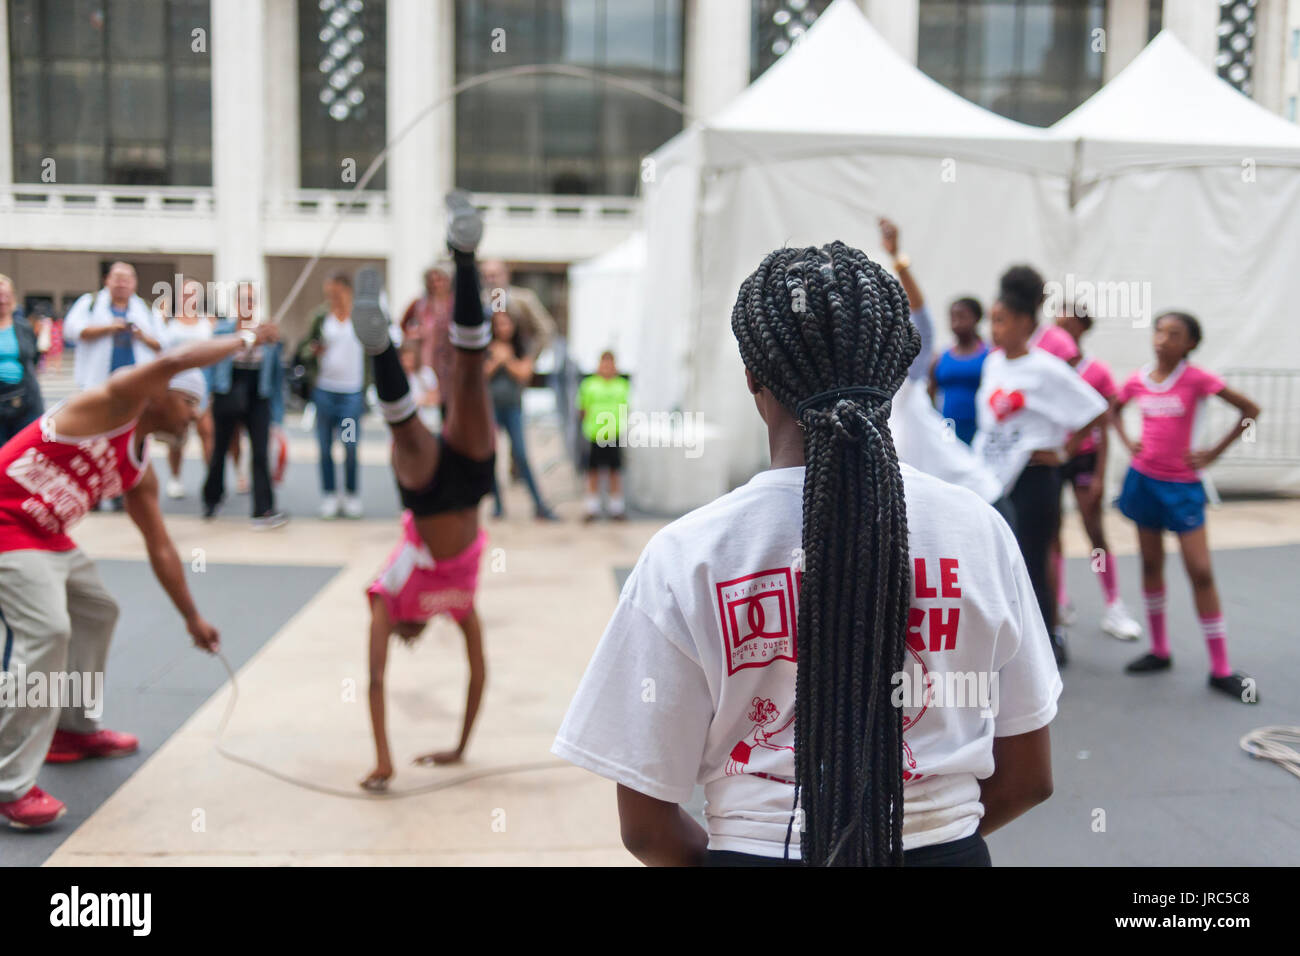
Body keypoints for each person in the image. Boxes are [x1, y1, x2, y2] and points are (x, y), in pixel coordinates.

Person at [553, 241, 1061, 866]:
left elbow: (647, 827)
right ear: (895, 370)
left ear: (752, 378)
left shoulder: (685, 557)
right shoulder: (978, 533)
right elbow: (1029, 777)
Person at [0, 321, 279, 829]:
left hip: (46, 535)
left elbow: (161, 547)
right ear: (160, 394)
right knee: (48, 632)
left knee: (97, 611)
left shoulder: (138, 469)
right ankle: (8, 782)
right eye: (190, 403)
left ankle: (71, 730)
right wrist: (246, 340)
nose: (195, 416)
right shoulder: (111, 403)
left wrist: (192, 617)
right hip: (6, 522)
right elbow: (173, 361)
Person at [355, 191, 497, 792]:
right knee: (444, 388)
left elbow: (471, 672)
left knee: (448, 388)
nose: (409, 644)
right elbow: (384, 681)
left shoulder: (403, 599)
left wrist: (393, 761)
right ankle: (458, 261)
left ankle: (457, 264)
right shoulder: (431, 603)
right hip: (442, 491)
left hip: (460, 488)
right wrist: (456, 748)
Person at [1112, 312, 1259, 701]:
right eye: (1159, 331)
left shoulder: (1198, 379)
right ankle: (1160, 649)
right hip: (1144, 482)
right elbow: (1112, 408)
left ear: (1190, 344)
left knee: (1200, 571)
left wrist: (1213, 452)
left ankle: (1221, 668)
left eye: (1174, 334)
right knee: (1150, 563)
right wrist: (1129, 444)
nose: (1163, 340)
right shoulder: (1138, 379)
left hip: (1183, 488)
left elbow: (1250, 411)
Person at [973, 266, 1108, 666]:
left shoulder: (1046, 368)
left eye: (1001, 320)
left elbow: (1096, 411)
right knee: (999, 559)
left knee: (1034, 559)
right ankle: (1008, 643)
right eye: (992, 320)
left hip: (1035, 478)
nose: (994, 329)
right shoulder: (992, 363)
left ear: (1025, 322)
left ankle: (1044, 646)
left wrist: (1065, 452)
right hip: (997, 477)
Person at [876, 221, 1001, 503]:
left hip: (979, 496)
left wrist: (898, 259)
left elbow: (922, 321)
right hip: (942, 495)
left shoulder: (902, 380)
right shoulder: (861, 400)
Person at [1050, 306, 1142, 641]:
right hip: (1052, 457)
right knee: (1051, 531)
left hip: (1085, 459)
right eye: (1055, 323)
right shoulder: (1045, 368)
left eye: (1066, 323)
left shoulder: (1097, 372)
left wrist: (1102, 474)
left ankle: (1113, 603)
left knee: (1094, 533)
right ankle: (1059, 600)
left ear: (1081, 328)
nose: (1058, 328)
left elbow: (1104, 426)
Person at [202, 283, 287, 529]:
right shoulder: (224, 329)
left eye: (252, 300)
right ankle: (212, 498)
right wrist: (207, 396)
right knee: (220, 448)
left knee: (260, 452)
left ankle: (263, 509)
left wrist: (277, 413)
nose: (247, 305)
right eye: (243, 300)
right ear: (236, 303)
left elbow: (276, 374)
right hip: (228, 390)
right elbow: (211, 360)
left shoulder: (267, 331)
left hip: (257, 393)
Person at [295, 272, 368, 519]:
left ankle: (350, 493)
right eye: (328, 294)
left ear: (346, 290)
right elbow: (305, 347)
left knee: (349, 445)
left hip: (350, 395)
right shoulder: (320, 317)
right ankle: (329, 494)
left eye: (335, 293)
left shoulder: (360, 317)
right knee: (325, 447)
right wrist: (313, 350)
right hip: (325, 391)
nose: (331, 298)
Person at [486, 310, 558, 521]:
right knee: (491, 456)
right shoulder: (486, 348)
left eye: (506, 324)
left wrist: (506, 360)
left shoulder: (521, 347)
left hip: (513, 408)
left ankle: (539, 505)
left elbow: (525, 373)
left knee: (521, 454)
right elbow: (480, 373)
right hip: (491, 408)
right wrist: (496, 361)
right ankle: (498, 505)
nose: (503, 329)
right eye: (499, 325)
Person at [62, 262, 165, 391]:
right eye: (117, 279)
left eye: (126, 280)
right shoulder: (89, 303)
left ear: (134, 282)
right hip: (97, 381)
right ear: (107, 280)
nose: (121, 284)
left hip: (137, 382)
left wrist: (140, 335)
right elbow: (71, 331)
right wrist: (108, 328)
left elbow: (163, 344)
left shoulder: (147, 309)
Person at [160, 279, 215, 499]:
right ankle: (175, 478)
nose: (188, 298)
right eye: (185, 294)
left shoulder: (208, 322)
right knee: (177, 437)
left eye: (193, 294)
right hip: (176, 388)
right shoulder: (169, 322)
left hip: (202, 387)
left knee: (208, 433)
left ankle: (211, 479)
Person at [577, 350, 630, 522]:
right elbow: (582, 409)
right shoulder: (589, 384)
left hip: (613, 434)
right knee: (593, 471)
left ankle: (616, 508)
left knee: (614, 471)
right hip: (594, 434)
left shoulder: (622, 385)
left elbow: (626, 407)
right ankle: (592, 507)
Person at [929, 298, 988, 446]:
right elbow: (931, 391)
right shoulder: (941, 358)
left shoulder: (989, 356)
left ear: (976, 318)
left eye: (962, 316)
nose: (956, 322)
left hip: (979, 428)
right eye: (953, 317)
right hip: (948, 426)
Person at [0, 275, 45, 445]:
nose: (2, 300)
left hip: (24, 398)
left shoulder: (23, 326)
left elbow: (33, 359)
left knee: (23, 448)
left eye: (6, 295)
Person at [400, 263, 454, 390]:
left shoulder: (454, 304)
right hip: (426, 358)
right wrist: (414, 334)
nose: (436, 284)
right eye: (432, 281)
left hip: (448, 359)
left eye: (440, 280)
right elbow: (403, 325)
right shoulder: (420, 304)